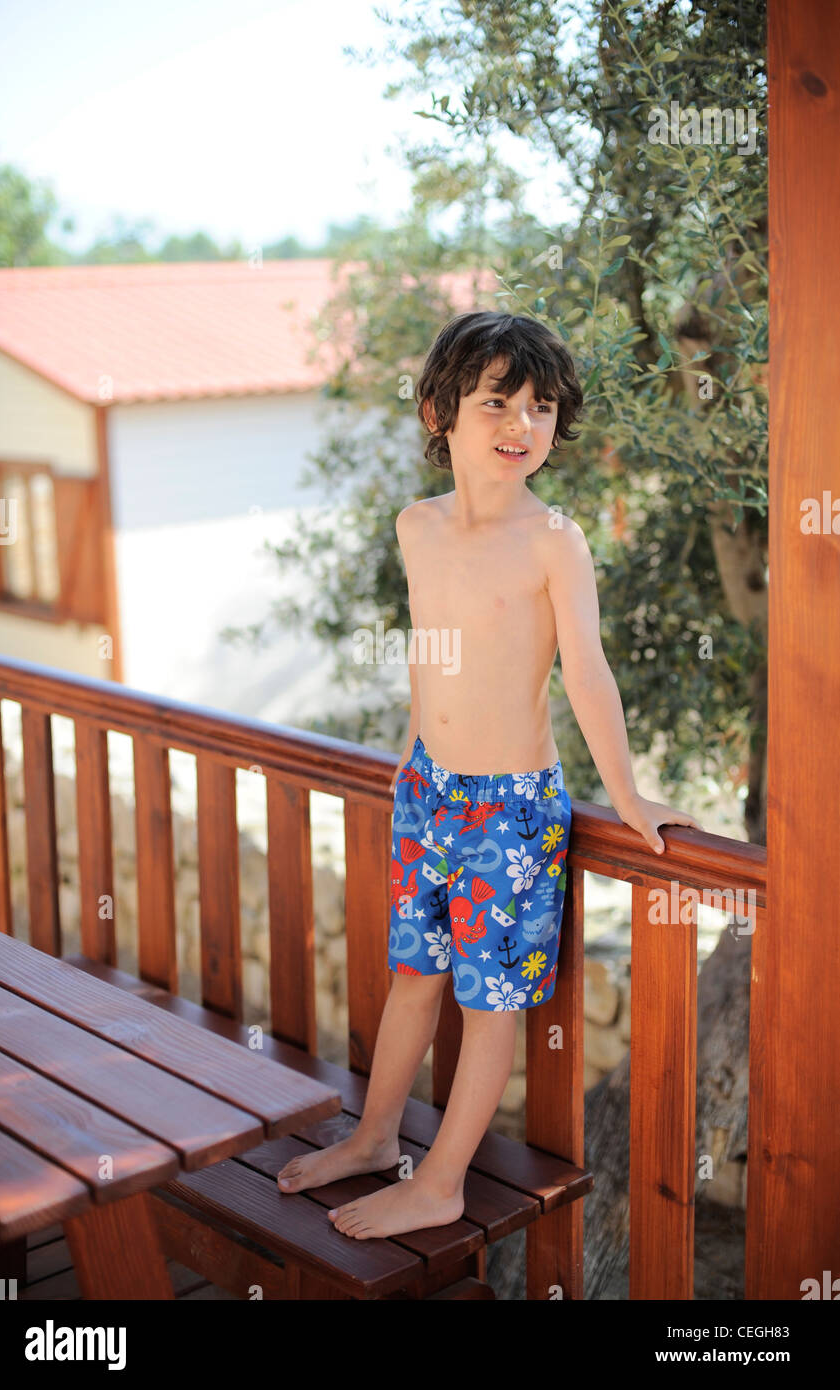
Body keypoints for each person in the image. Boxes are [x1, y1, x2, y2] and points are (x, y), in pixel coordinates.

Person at [276, 309, 702, 1239]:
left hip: (511, 812)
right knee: (414, 979)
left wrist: (625, 794)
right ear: (439, 411)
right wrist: (409, 743)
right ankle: (373, 1139)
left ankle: (439, 1184)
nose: (522, 422)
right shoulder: (415, 526)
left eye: (542, 407)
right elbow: (436, 649)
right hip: (425, 788)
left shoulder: (554, 537)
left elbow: (584, 669)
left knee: (487, 1001)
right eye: (497, 400)